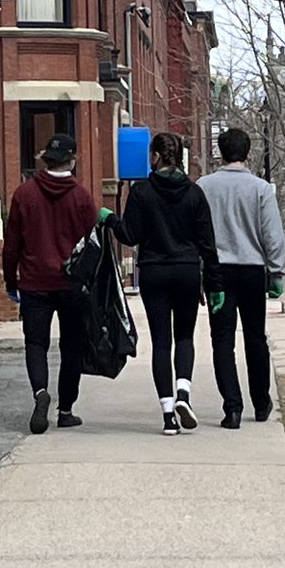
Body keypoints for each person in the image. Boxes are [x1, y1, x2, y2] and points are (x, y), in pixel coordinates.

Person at [101, 132, 222, 435]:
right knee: (184, 337)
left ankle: (168, 415)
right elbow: (208, 244)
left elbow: (129, 235)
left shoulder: (142, 192)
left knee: (161, 342)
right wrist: (214, 283)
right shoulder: (195, 194)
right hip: (186, 271)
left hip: (154, 271)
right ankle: (184, 394)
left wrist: (110, 219)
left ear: (155, 156)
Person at [3, 133, 97, 436]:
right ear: (73, 160)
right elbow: (92, 244)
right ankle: (66, 409)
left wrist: (10, 279)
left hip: (34, 281)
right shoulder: (82, 197)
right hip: (71, 284)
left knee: (36, 344)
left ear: (46, 160)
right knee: (72, 347)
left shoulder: (24, 194)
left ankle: (40, 393)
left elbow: (12, 243)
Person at [197, 127, 285, 429]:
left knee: (222, 340)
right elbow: (272, 236)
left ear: (220, 151)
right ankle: (261, 402)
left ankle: (231, 408)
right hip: (251, 270)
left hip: (217, 272)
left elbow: (197, 234)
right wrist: (276, 273)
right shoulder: (261, 189)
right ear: (248, 153)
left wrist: (201, 273)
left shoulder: (204, 187)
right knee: (255, 337)